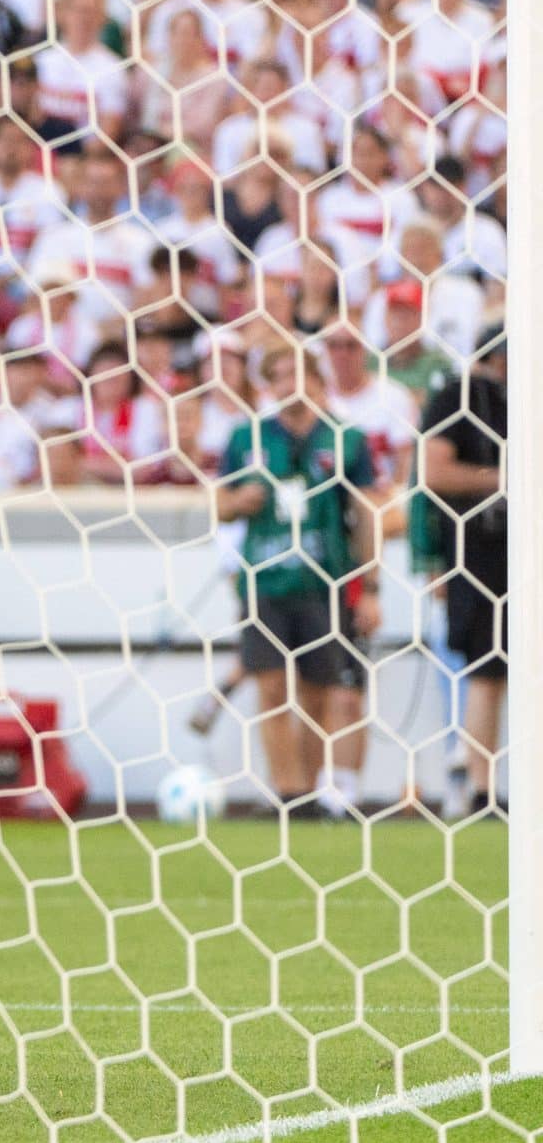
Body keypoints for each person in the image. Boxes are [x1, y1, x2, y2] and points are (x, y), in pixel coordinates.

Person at [214, 345, 380, 819]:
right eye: (280, 377)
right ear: (268, 386)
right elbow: (219, 504)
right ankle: (287, 793)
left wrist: (370, 587)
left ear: (316, 380)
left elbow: (367, 513)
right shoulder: (246, 438)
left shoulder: (346, 439)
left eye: (299, 374)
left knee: (318, 692)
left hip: (324, 580)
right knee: (271, 689)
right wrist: (236, 500)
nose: (291, 386)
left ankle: (309, 792)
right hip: (264, 581)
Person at [422, 332, 508, 820]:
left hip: (520, 552)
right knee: (486, 670)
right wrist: (505, 479)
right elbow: (433, 471)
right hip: (478, 554)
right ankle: (482, 790)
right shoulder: (456, 396)